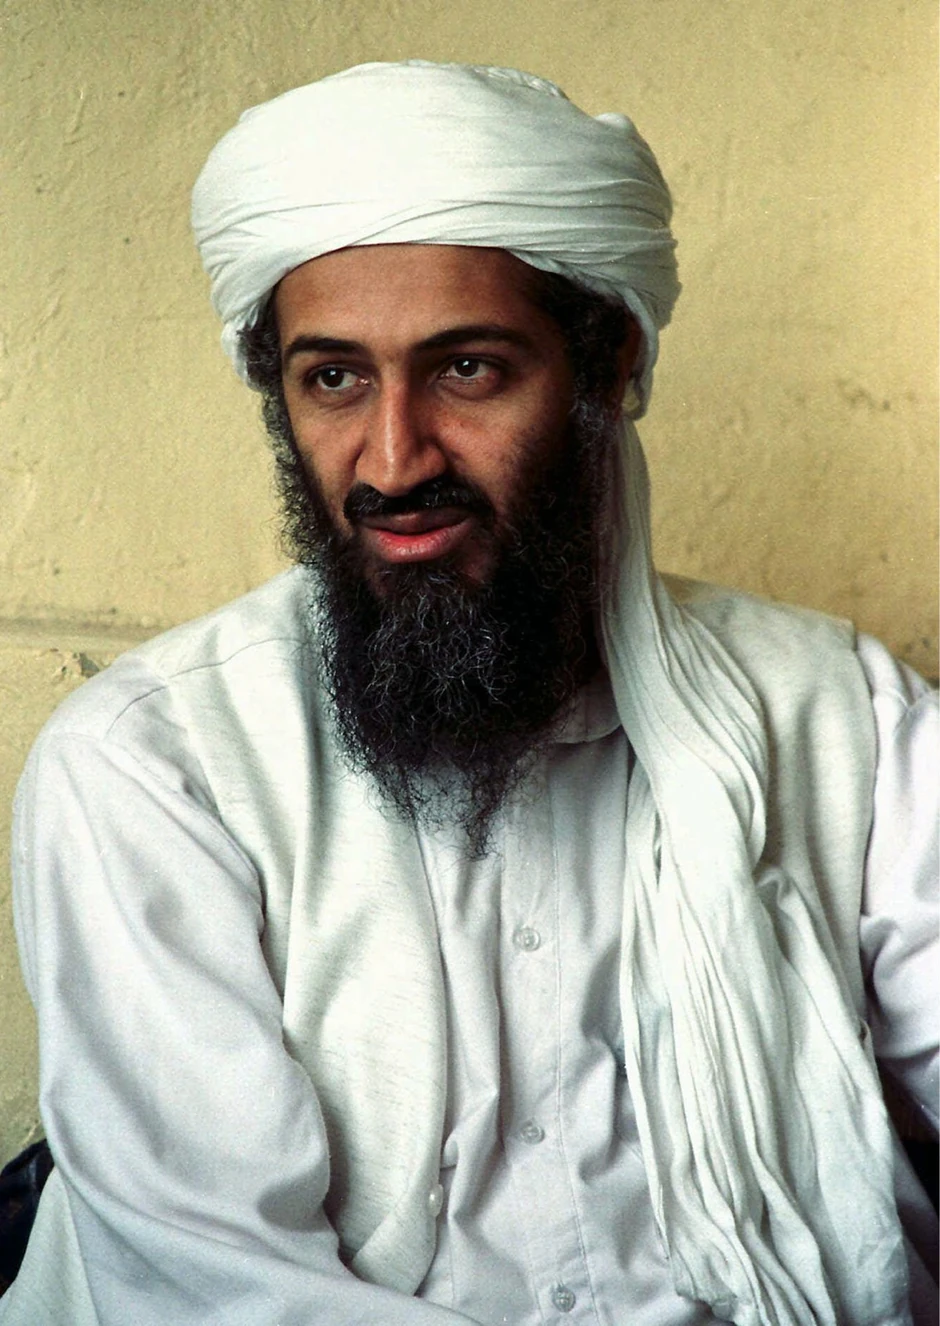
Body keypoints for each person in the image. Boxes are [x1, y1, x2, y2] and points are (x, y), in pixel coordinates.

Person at [1, 61, 936, 1326]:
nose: (393, 461)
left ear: (606, 366)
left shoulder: (839, 717)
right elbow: (217, 1287)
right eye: (334, 379)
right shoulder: (155, 764)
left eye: (468, 370)